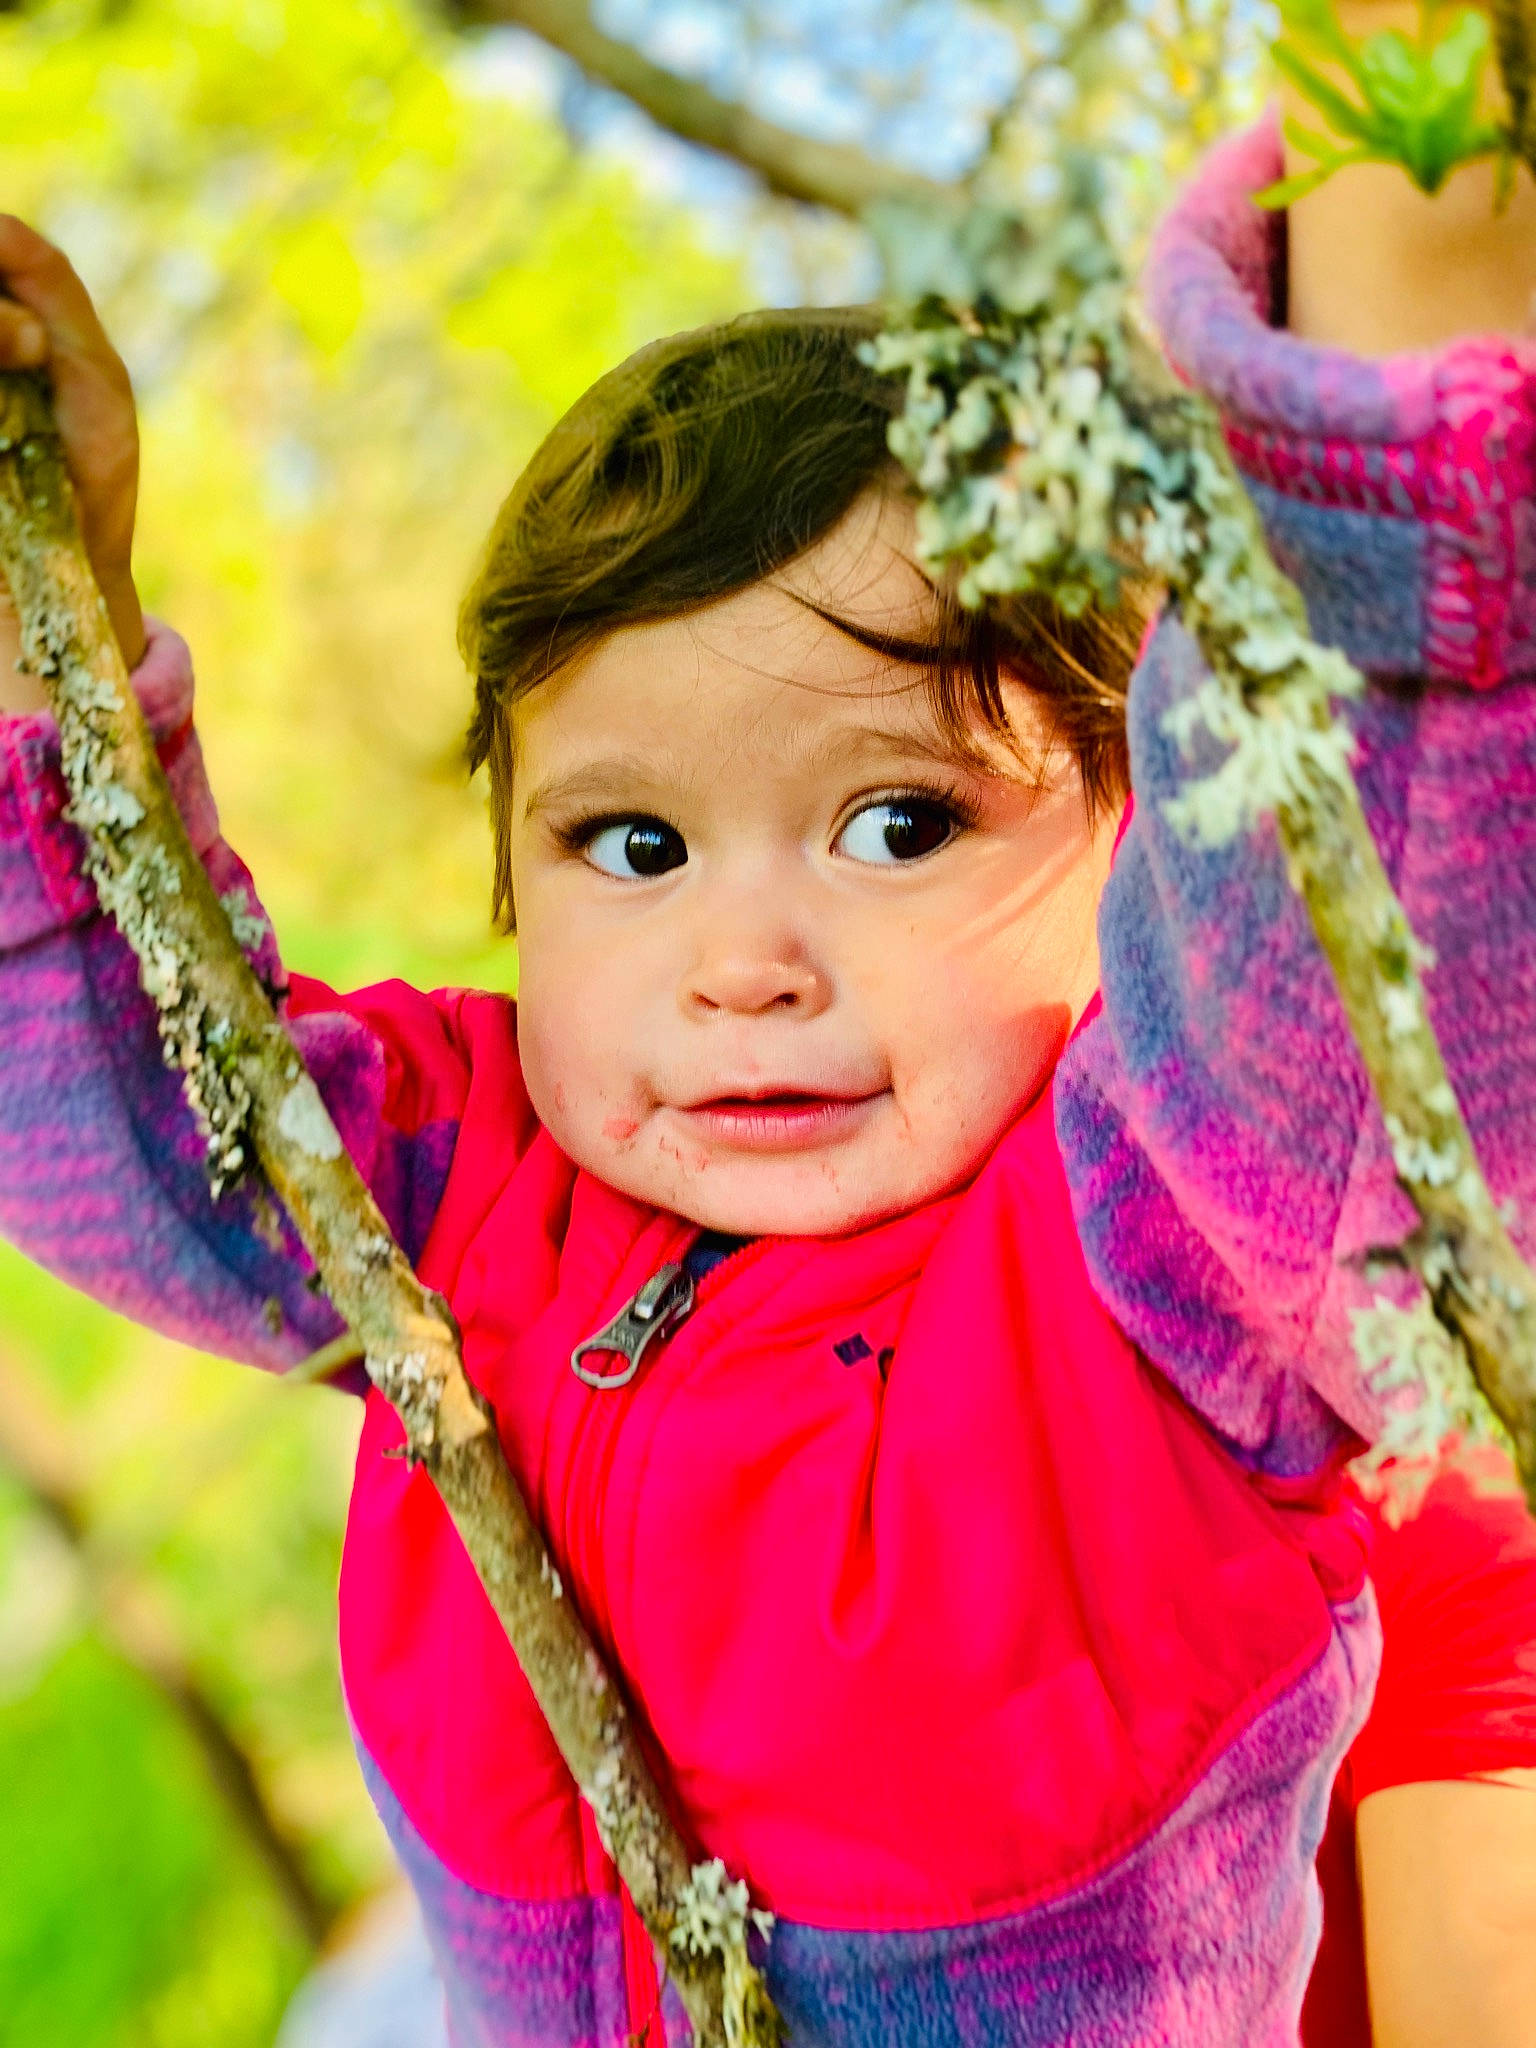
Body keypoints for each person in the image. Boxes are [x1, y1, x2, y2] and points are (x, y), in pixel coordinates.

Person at [4, 96, 1536, 2046]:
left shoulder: (1165, 1271)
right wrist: (33, 663)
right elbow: (131, 1115)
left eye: (899, 824)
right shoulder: (459, 1192)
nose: (741, 966)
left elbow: (1353, 850)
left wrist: (1410, 210)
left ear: (1144, 835)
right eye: (630, 847)